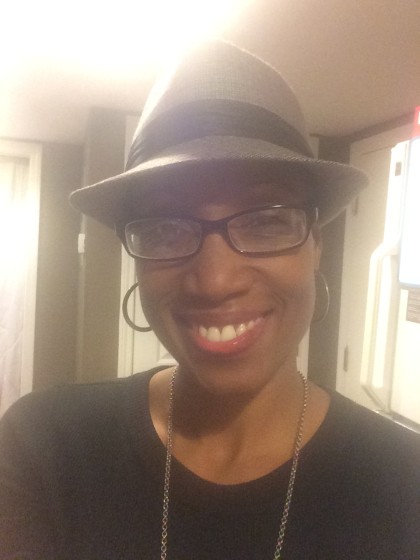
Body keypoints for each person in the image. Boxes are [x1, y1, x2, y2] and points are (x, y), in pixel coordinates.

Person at [0, 40, 419, 560]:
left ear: (316, 246)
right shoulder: (45, 448)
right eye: (165, 228)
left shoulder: (404, 486)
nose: (216, 281)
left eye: (265, 221)